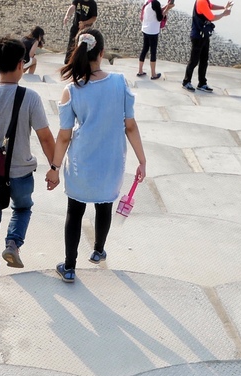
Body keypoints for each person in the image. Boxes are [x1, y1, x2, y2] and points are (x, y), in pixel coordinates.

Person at [46, 30, 147, 283]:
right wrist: (142, 160)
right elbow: (130, 126)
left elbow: (64, 136)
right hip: (111, 161)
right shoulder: (119, 82)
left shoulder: (71, 90)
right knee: (105, 207)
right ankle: (98, 250)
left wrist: (55, 168)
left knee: (75, 213)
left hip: (82, 161)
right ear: (101, 53)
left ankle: (69, 267)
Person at [0, 36, 56, 280]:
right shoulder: (31, 98)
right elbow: (46, 137)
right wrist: (54, 167)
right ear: (20, 65)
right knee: (23, 208)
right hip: (21, 172)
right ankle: (13, 243)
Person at [181, 0, 232, 93]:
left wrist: (223, 7)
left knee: (204, 60)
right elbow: (211, 17)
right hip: (197, 36)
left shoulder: (205, 1)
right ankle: (186, 82)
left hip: (204, 35)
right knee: (194, 61)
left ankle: (202, 83)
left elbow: (211, 6)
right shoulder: (201, 1)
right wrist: (223, 14)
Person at [137, 0, 175, 79]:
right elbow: (159, 18)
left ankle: (140, 71)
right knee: (153, 52)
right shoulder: (156, 3)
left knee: (144, 49)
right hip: (153, 31)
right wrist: (167, 9)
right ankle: (153, 74)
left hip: (145, 29)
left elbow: (156, 10)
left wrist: (166, 6)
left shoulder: (147, 1)